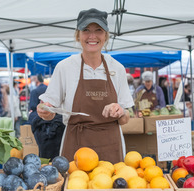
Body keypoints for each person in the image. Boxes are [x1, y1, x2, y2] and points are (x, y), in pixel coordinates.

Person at [37, 8, 134, 163]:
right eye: (86, 30)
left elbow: (125, 118)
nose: (92, 36)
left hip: (110, 145)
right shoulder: (65, 67)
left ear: (106, 36)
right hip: (76, 146)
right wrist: (45, 110)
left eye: (99, 30)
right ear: (78, 35)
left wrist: (120, 111)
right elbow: (50, 111)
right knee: (75, 185)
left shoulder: (117, 68)